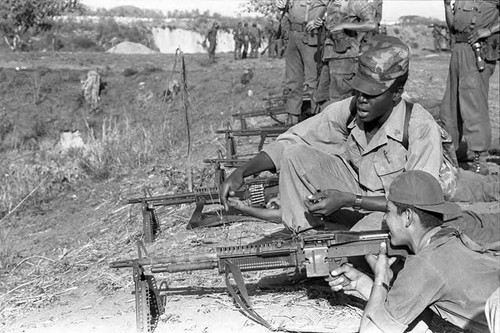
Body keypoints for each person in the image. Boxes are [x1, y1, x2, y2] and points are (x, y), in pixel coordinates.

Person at [220, 35, 499, 236]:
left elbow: (417, 205)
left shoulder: (419, 126)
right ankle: (307, 240)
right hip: (358, 194)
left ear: (396, 94)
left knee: (484, 190)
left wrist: (350, 201)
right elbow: (294, 141)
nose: (361, 100)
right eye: (358, 91)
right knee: (295, 154)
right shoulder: (352, 109)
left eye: (371, 93)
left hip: (402, 208)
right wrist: (242, 171)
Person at [328, 170, 500, 333]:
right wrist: (361, 283)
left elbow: (370, 330)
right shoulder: (448, 238)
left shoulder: (425, 264)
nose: (385, 219)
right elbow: (414, 315)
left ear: (408, 217)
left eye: (388, 211)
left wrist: (380, 277)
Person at [439, 0, 499, 175]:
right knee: (450, 106)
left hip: (477, 51)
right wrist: (446, 6)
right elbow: (452, 28)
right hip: (458, 49)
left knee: (474, 106)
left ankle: (480, 159)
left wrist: (487, 31)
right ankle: (450, 155)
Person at [307, 0, 383, 109]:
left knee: (339, 99)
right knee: (321, 97)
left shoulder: (356, 3)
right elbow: (332, 24)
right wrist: (320, 24)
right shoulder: (332, 2)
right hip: (329, 54)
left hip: (345, 57)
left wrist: (344, 25)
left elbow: (372, 24)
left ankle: (342, 124)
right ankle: (327, 123)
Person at [277, 0, 321, 124]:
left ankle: (317, 118)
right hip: (292, 35)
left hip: (311, 35)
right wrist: (282, 8)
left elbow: (333, 7)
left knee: (313, 80)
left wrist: (321, 19)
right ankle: (292, 115)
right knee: (293, 79)